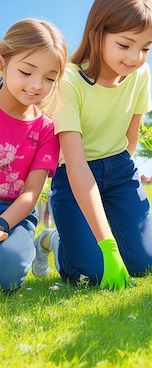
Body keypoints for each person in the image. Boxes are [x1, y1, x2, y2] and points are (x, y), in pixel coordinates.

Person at [33, 0, 152, 290]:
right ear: (97, 34)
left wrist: (118, 191)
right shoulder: (68, 80)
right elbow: (77, 166)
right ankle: (54, 240)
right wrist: (108, 246)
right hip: (74, 173)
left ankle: (95, 233)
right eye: (125, 44)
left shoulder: (141, 74)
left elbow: (131, 138)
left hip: (118, 170)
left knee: (145, 265)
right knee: (89, 274)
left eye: (145, 47)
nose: (135, 57)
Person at [0, 19, 66, 292]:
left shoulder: (47, 129)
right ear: (3, 63)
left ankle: (45, 242)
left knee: (8, 276)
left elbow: (31, 193)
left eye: (50, 78)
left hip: (16, 214)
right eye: (26, 72)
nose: (37, 85)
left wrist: (3, 224)